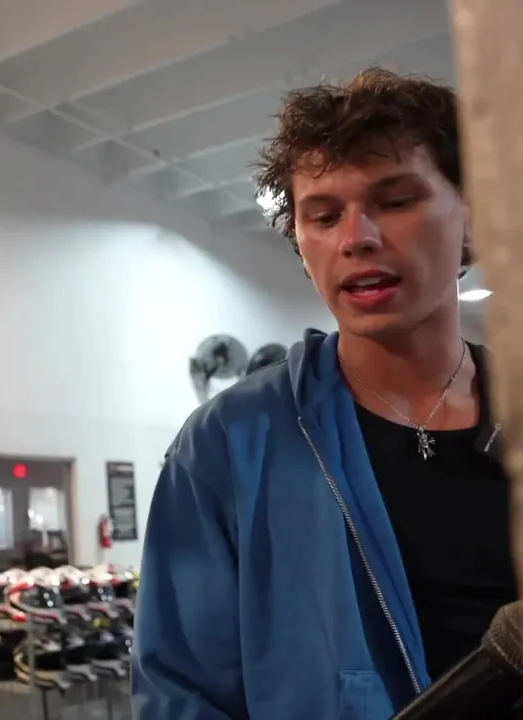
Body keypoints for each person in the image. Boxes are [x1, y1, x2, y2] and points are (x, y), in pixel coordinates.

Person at [132, 68, 512, 718]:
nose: (355, 238)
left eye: (396, 201)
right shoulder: (230, 445)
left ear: (472, 221)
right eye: (325, 216)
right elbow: (180, 693)